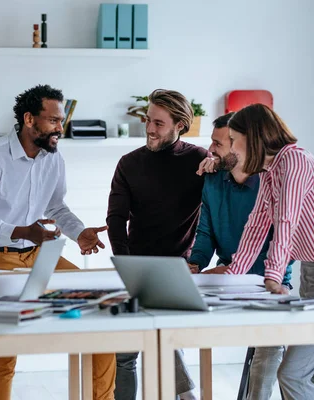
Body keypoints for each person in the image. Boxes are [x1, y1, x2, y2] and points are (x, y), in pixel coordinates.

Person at [201, 104, 314, 400]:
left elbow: (285, 222)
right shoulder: (269, 171)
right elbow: (257, 226)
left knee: (292, 374)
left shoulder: (295, 162)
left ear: (253, 138)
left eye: (236, 140)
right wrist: (234, 276)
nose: (234, 148)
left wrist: (273, 276)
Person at [0, 84, 116, 400]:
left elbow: (56, 207)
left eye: (62, 121)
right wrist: (22, 231)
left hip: (38, 256)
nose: (61, 128)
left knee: (102, 312)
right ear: (29, 119)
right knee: (3, 349)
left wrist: (79, 232)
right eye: (54, 121)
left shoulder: (53, 158)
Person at [107, 89, 208, 400]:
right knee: (125, 354)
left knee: (159, 334)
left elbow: (214, 213)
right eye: (148, 120)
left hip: (179, 267)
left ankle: (185, 395)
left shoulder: (199, 161)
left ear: (179, 125)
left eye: (159, 123)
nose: (149, 128)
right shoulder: (129, 163)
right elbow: (115, 219)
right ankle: (186, 395)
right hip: (135, 264)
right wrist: (126, 267)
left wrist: (201, 260)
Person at [189, 113, 293, 400]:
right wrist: (195, 263)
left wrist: (243, 272)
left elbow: (286, 242)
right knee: (164, 317)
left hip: (270, 280)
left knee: (270, 340)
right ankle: (185, 393)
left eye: (220, 143)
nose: (211, 149)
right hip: (227, 276)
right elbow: (206, 232)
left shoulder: (270, 182)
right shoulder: (213, 181)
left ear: (241, 146)